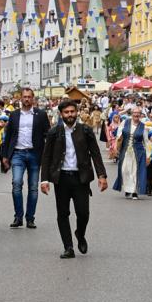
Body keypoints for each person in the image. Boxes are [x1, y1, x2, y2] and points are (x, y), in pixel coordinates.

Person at [39, 99, 108, 258]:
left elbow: (96, 154)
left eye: (72, 112)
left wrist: (102, 176)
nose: (70, 115)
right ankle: (68, 247)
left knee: (83, 213)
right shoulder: (54, 132)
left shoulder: (86, 130)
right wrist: (44, 180)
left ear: (76, 112)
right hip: (61, 178)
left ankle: (80, 233)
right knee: (63, 213)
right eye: (66, 112)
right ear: (61, 114)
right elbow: (46, 157)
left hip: (80, 178)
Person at [0, 87, 50, 229]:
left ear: (33, 98)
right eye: (24, 97)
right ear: (20, 99)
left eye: (29, 97)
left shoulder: (41, 115)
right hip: (18, 154)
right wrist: (4, 156)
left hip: (35, 154)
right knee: (16, 183)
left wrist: (48, 154)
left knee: (33, 187)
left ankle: (30, 218)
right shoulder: (14, 115)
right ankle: (18, 216)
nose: (27, 99)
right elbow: (8, 136)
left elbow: (48, 135)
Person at [113, 108, 149, 200]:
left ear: (141, 115)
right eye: (135, 113)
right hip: (125, 151)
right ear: (132, 114)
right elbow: (118, 135)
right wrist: (116, 147)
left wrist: (148, 156)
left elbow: (146, 142)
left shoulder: (143, 127)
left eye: (138, 113)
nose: (136, 114)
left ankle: (134, 192)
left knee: (135, 171)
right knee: (124, 170)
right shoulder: (125, 122)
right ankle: (127, 189)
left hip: (138, 152)